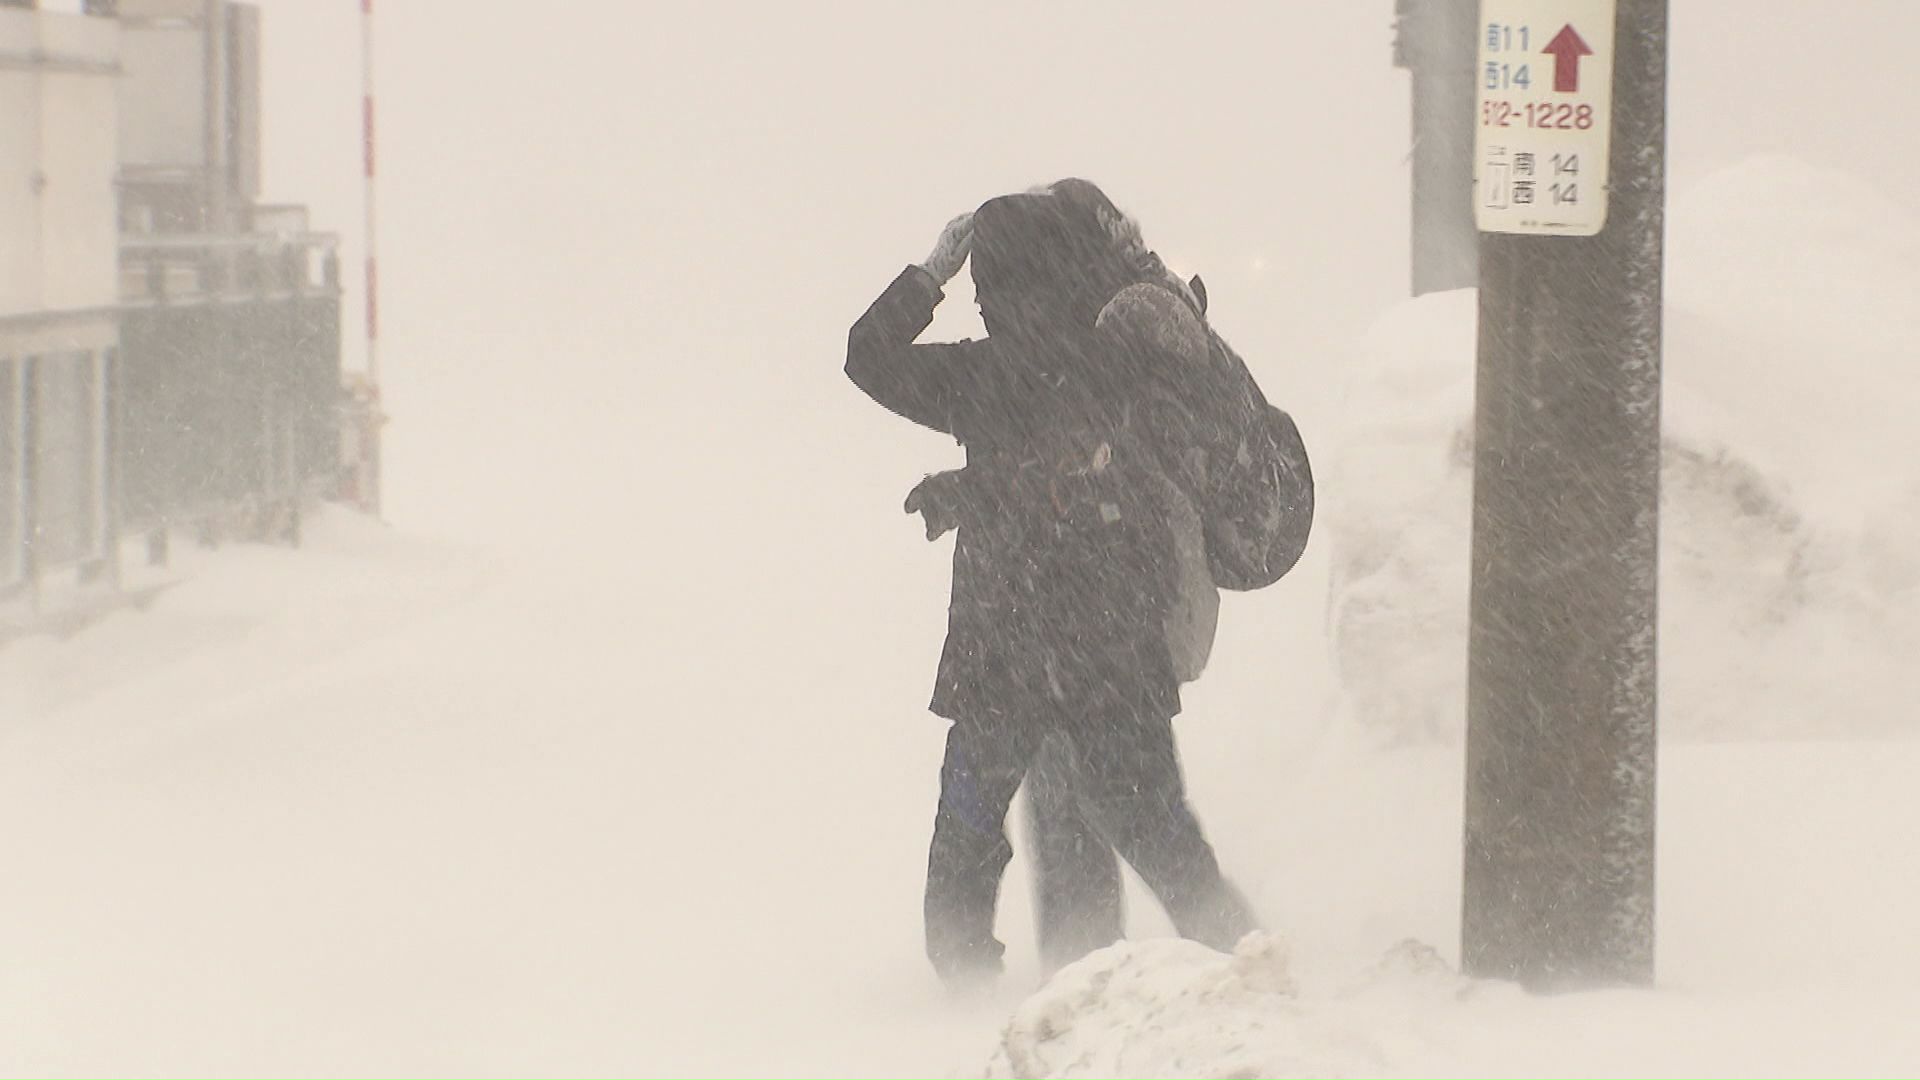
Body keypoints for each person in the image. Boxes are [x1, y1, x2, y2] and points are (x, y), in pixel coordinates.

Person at [844, 179, 1257, 986]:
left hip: (1008, 646)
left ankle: (967, 1011)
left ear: (997, 284)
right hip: (1111, 648)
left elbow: (868, 358)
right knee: (1161, 834)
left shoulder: (985, 374)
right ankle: (1245, 965)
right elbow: (1089, 472)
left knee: (966, 835)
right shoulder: (1127, 356)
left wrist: (934, 269)